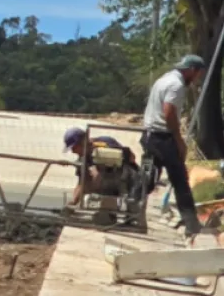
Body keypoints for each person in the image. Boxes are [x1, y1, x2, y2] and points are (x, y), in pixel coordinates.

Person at [142, 54, 206, 237]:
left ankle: (130, 210)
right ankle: (192, 224)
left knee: (148, 178)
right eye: (198, 75)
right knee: (180, 181)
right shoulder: (177, 85)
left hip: (149, 134)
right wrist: (179, 141)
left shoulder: (164, 79)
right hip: (163, 138)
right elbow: (169, 112)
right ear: (191, 70)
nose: (197, 79)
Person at [63, 127, 137, 206]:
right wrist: (73, 202)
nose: (73, 151)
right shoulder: (82, 159)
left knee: (134, 212)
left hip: (131, 183)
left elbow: (132, 157)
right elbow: (81, 183)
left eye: (74, 147)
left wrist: (108, 158)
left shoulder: (105, 142)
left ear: (83, 142)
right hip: (107, 189)